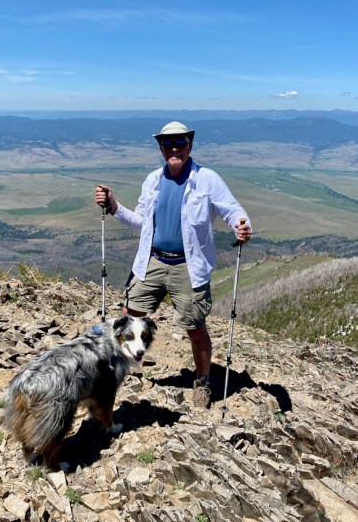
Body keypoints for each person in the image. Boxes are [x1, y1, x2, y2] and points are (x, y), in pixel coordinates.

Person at [94, 121, 252, 408]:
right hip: (152, 260)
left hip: (188, 266)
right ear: (161, 148)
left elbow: (233, 210)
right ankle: (120, 368)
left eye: (180, 143)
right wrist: (114, 206)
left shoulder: (207, 180)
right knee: (129, 315)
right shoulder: (153, 180)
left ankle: (203, 382)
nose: (175, 148)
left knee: (194, 327)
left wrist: (242, 226)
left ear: (190, 145)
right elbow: (142, 222)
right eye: (169, 144)